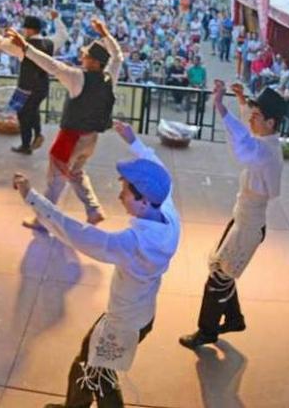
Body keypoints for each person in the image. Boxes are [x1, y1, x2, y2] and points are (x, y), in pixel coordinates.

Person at [12, 119, 179, 408]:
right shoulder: (168, 215)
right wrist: (133, 140)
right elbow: (161, 172)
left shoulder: (133, 244)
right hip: (140, 315)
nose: (119, 195)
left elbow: (78, 234)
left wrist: (32, 198)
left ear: (143, 202)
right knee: (92, 367)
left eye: (125, 191)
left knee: (97, 373)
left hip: (122, 322)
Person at [180, 81, 285, 349]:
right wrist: (240, 100)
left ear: (271, 122)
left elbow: (244, 141)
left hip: (249, 226)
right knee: (222, 269)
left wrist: (219, 106)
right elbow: (248, 129)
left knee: (217, 278)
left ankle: (207, 331)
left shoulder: (265, 151)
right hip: (244, 219)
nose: (251, 116)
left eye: (257, 114)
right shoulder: (266, 141)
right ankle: (235, 318)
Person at [6, 18, 122, 228]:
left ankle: (43, 220)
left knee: (55, 182)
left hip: (70, 140)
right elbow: (118, 57)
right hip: (90, 140)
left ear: (94, 62)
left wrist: (26, 48)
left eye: (85, 55)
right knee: (76, 174)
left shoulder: (78, 78)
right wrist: (105, 34)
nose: (82, 57)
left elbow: (51, 65)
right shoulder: (109, 78)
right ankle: (94, 209)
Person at [0, 9, 69, 155]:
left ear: (29, 30)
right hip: (42, 86)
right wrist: (57, 19)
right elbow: (63, 35)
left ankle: (27, 144)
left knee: (23, 115)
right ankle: (37, 134)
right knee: (33, 109)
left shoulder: (21, 45)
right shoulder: (50, 43)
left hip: (26, 87)